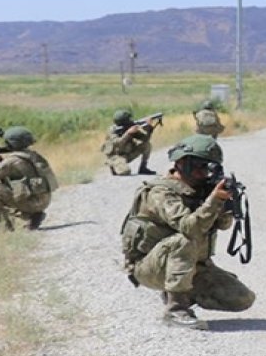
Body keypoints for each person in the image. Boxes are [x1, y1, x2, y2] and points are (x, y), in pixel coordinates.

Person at [119, 134, 255, 330]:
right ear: (182, 163)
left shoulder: (198, 189)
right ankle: (175, 309)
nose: (203, 174)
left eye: (208, 168)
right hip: (148, 266)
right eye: (199, 166)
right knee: (186, 239)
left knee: (242, 299)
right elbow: (189, 228)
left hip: (187, 263)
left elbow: (223, 226)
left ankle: (179, 291)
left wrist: (224, 205)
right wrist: (213, 201)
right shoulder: (160, 192)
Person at [0, 126, 58, 231]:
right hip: (43, 200)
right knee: (6, 184)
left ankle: (3, 226)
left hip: (32, 202)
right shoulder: (33, 155)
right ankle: (32, 216)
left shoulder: (12, 161)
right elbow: (18, 175)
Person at [102, 110, 156, 176]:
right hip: (116, 157)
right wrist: (128, 133)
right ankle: (114, 166)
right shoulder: (112, 130)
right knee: (125, 172)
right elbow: (118, 143)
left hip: (128, 154)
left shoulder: (129, 127)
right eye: (128, 119)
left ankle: (143, 168)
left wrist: (148, 127)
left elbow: (144, 139)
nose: (131, 120)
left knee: (146, 145)